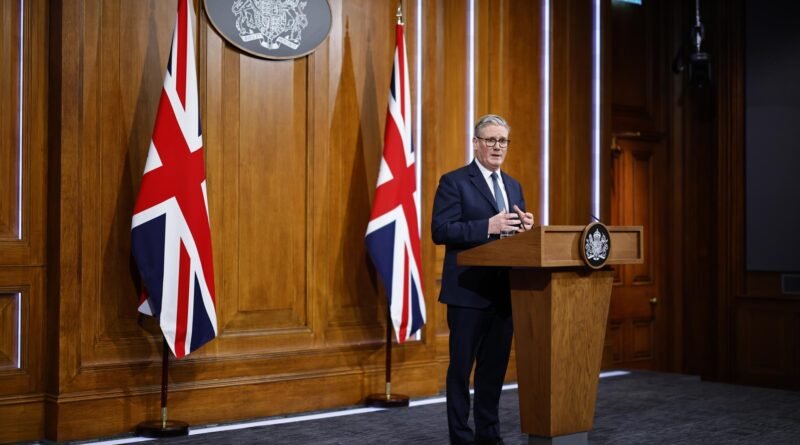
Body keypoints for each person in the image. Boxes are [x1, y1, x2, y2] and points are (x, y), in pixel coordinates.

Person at [431, 114, 534, 445]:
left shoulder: (514, 186)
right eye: (490, 140)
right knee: (461, 371)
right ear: (476, 143)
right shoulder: (454, 182)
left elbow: (512, 237)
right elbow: (441, 230)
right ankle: (461, 438)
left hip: (504, 294)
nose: (497, 146)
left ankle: (489, 436)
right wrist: (486, 227)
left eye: (502, 141)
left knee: (493, 371)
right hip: (468, 293)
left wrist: (526, 229)